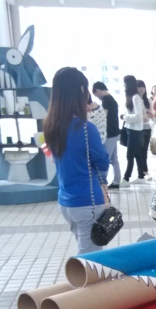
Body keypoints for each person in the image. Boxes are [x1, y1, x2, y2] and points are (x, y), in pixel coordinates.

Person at [44, 67, 110, 255]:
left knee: (86, 252)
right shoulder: (86, 128)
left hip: (66, 201)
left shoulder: (51, 126)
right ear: (81, 91)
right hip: (87, 201)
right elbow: (103, 162)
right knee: (91, 260)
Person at [92, 82, 122, 189]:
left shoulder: (106, 100)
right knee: (114, 159)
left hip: (109, 134)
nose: (97, 97)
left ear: (98, 90)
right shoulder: (112, 99)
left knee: (106, 158)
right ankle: (116, 181)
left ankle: (102, 182)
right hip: (115, 132)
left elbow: (103, 116)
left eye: (96, 95)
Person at [121, 74, 146, 184]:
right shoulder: (131, 97)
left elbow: (138, 116)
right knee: (137, 153)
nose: (124, 87)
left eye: (125, 85)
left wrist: (124, 117)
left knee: (130, 155)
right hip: (131, 129)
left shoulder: (135, 97)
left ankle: (126, 178)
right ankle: (141, 176)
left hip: (135, 130)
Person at [137, 80, 153, 181]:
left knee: (144, 150)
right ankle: (141, 172)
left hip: (146, 128)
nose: (141, 89)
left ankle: (144, 171)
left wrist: (148, 115)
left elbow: (151, 115)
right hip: (137, 129)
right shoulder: (134, 100)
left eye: (143, 87)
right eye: (139, 87)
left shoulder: (148, 100)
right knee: (139, 151)